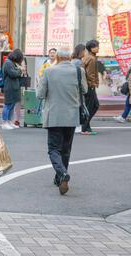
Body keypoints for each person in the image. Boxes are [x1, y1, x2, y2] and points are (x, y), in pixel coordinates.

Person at [37, 48, 88, 195]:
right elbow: (84, 89)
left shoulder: (49, 72)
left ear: (58, 57)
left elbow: (40, 94)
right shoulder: (79, 71)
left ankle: (62, 174)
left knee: (54, 149)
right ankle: (59, 177)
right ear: (70, 57)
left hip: (54, 115)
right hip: (72, 115)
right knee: (66, 149)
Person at [1, 49, 24, 130]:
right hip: (9, 87)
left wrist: (18, 70)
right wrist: (20, 70)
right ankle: (4, 122)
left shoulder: (11, 63)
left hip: (13, 87)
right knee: (8, 105)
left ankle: (9, 121)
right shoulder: (8, 63)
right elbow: (13, 74)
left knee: (12, 105)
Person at [82, 40, 100, 135]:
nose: (98, 48)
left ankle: (86, 126)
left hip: (87, 85)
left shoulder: (87, 56)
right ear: (91, 48)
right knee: (92, 106)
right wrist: (93, 85)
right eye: (96, 46)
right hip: (90, 86)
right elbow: (90, 74)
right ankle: (84, 127)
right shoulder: (92, 58)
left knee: (92, 105)